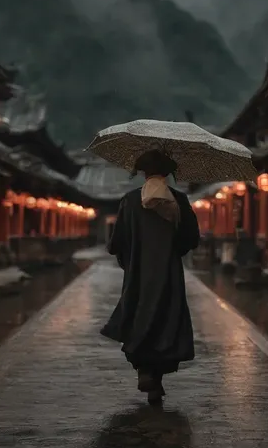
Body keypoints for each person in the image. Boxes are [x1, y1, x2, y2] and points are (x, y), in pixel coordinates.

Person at [100, 149, 200, 405]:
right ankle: (156, 378)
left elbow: (115, 244)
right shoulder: (179, 200)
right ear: (169, 173)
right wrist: (172, 249)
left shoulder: (130, 201)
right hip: (168, 274)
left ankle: (145, 371)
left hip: (138, 274)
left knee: (139, 316)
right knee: (167, 319)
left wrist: (129, 256)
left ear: (142, 173)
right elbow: (191, 239)